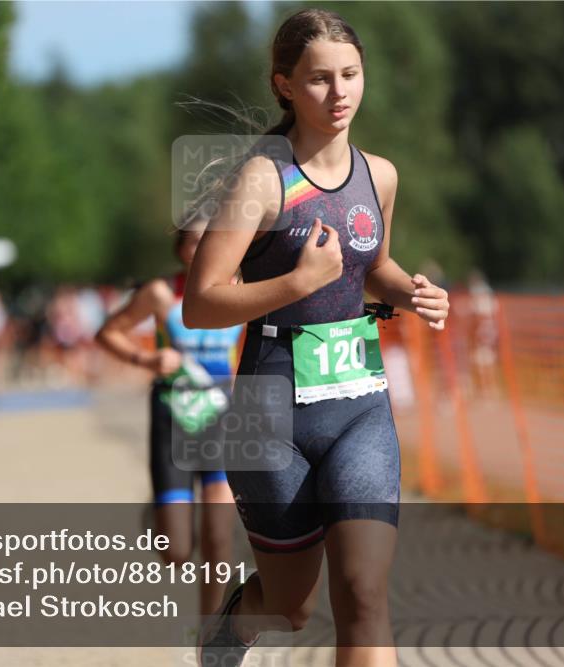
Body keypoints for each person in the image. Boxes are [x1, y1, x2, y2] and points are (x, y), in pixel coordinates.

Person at [182, 9, 450, 667]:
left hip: (360, 405)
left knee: (364, 594)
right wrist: (297, 282)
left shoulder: (378, 175)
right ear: (284, 86)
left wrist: (407, 290)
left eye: (351, 75)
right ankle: (231, 629)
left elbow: (373, 264)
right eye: (320, 80)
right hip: (270, 412)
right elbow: (201, 301)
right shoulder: (263, 180)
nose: (340, 94)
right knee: (291, 606)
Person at [95, 220, 244, 617]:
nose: (202, 249)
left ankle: (211, 629)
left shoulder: (239, 288)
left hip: (220, 416)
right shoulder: (160, 294)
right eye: (194, 242)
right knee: (177, 551)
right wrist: (147, 359)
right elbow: (108, 332)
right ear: (180, 248)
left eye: (211, 240)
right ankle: (160, 517)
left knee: (219, 534)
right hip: (172, 415)